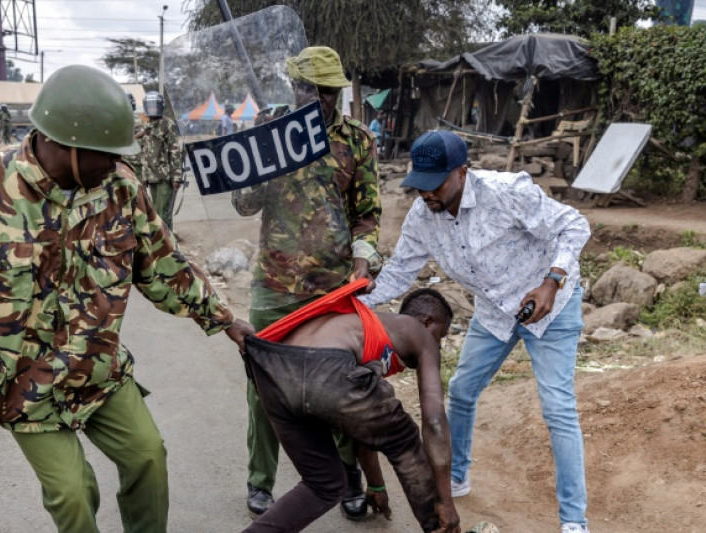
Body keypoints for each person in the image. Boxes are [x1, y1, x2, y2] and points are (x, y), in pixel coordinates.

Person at [0, 64, 254, 533]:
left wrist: (226, 319)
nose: (115, 164)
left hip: (98, 368)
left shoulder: (121, 188)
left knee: (149, 457)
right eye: (105, 154)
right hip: (22, 386)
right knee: (73, 495)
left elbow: (164, 266)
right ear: (62, 144)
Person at [361, 130, 591, 533]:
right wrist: (352, 305)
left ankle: (574, 520)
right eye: (420, 186)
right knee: (463, 391)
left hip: (550, 307)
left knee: (557, 409)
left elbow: (574, 225)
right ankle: (457, 476)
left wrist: (551, 281)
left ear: (462, 173)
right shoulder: (422, 216)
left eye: (435, 186)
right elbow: (400, 271)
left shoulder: (505, 193)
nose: (426, 195)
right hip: (495, 313)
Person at [231, 45, 382, 519]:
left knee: (336, 387)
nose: (321, 99)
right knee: (264, 388)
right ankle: (260, 481)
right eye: (310, 89)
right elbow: (243, 204)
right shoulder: (266, 128)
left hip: (332, 288)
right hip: (275, 285)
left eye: (329, 91)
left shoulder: (357, 140)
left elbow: (367, 215)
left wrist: (363, 262)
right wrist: (265, 161)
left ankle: (345, 478)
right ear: (292, 87)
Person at [243, 283, 460, 532]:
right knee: (405, 440)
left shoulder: (364, 328)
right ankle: (441, 528)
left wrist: (376, 484)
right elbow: (433, 422)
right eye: (439, 337)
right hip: (324, 365)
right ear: (427, 321)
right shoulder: (417, 331)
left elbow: (364, 425)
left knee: (323, 485)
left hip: (274, 374)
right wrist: (446, 501)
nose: (438, 347)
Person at [138, 90, 183, 231]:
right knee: (155, 212)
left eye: (154, 106)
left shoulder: (166, 124)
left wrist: (176, 177)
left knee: (163, 214)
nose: (152, 110)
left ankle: (168, 246)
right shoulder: (147, 126)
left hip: (164, 176)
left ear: (160, 107)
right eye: (149, 106)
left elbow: (174, 151)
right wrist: (144, 177)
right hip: (151, 177)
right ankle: (160, 243)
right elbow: (145, 152)